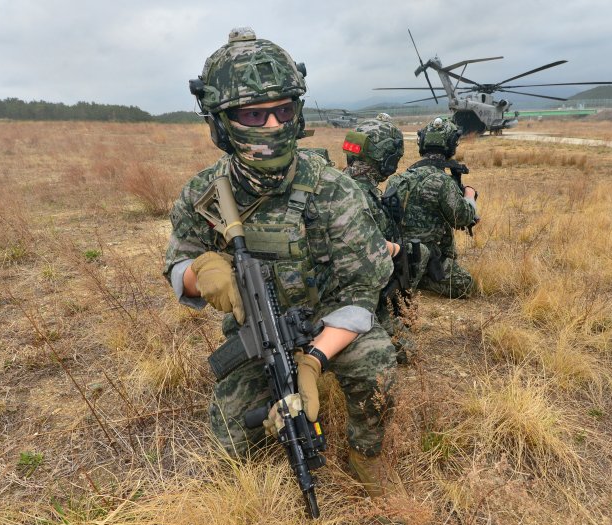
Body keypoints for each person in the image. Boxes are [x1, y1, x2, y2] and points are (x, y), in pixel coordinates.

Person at [163, 27, 398, 499]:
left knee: (377, 364)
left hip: (331, 326)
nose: (271, 126)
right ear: (221, 122)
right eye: (254, 113)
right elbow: (177, 267)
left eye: (283, 111)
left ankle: (366, 458)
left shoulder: (335, 190)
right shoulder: (202, 193)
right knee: (229, 445)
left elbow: (360, 294)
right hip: (257, 335)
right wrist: (199, 273)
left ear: (298, 111)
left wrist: (312, 361)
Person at [341, 114, 428, 362]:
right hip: (355, 296)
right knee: (410, 352)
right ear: (387, 160)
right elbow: (368, 263)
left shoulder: (340, 185)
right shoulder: (362, 197)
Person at [386, 116, 479, 299]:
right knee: (466, 286)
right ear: (451, 145)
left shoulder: (398, 179)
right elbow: (462, 217)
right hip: (425, 254)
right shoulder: (442, 182)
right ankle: (422, 278)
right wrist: (469, 195)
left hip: (395, 252)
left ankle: (411, 274)